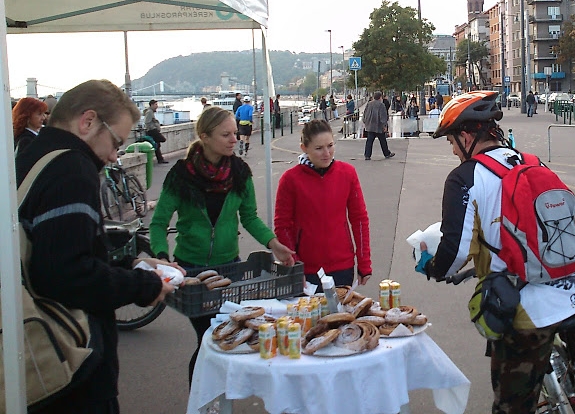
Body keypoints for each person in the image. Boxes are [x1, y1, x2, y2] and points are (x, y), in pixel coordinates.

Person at [415, 91, 575, 414]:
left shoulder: (464, 178)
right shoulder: (532, 162)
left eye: (452, 141)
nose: (453, 150)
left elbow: (453, 253)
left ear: (467, 136)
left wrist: (432, 267)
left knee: (513, 407)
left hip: (527, 317)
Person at [16, 79, 178, 414]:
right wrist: (145, 284)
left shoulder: (29, 154)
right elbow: (65, 275)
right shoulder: (71, 169)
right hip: (73, 366)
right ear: (87, 122)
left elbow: (55, 252)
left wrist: (131, 265)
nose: (114, 154)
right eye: (116, 141)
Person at [149, 106, 295, 381]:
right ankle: (203, 400)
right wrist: (161, 256)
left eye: (235, 133)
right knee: (209, 339)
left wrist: (273, 243)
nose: (235, 138)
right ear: (204, 136)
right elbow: (158, 223)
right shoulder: (181, 175)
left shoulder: (239, 171)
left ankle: (218, 395)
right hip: (191, 272)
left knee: (226, 336)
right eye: (226, 134)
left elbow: (249, 217)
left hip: (230, 268)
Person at [274, 119, 372, 288]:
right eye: (319, 148)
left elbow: (359, 219)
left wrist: (364, 262)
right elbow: (282, 225)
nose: (326, 153)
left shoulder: (347, 173)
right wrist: (294, 264)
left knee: (341, 314)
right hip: (306, 269)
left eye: (330, 146)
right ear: (304, 148)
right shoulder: (290, 179)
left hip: (343, 265)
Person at [362, 90, 394, 160]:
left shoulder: (369, 104)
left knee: (369, 141)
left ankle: (367, 155)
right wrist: (384, 126)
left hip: (370, 126)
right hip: (378, 126)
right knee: (383, 141)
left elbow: (365, 114)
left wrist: (365, 122)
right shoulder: (381, 105)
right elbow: (383, 116)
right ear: (380, 97)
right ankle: (387, 153)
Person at [144, 99, 169, 164]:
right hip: (152, 131)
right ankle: (159, 159)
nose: (157, 106)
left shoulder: (151, 112)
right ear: (151, 105)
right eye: (155, 104)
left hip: (153, 130)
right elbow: (147, 122)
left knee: (157, 145)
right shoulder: (149, 112)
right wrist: (153, 128)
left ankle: (160, 159)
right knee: (162, 139)